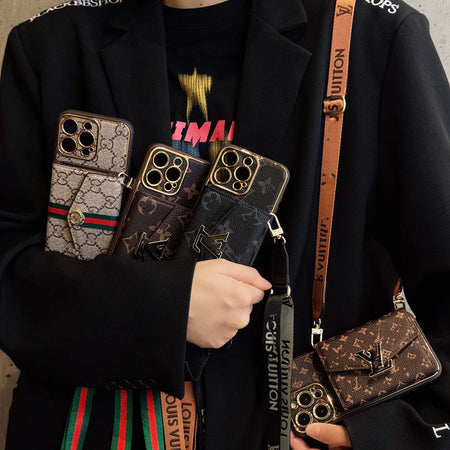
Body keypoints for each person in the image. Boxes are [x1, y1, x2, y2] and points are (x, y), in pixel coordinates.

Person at [0, 0, 449, 449]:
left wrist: (392, 437)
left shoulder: (373, 37)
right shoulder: (51, 45)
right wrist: (164, 308)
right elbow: (8, 268)